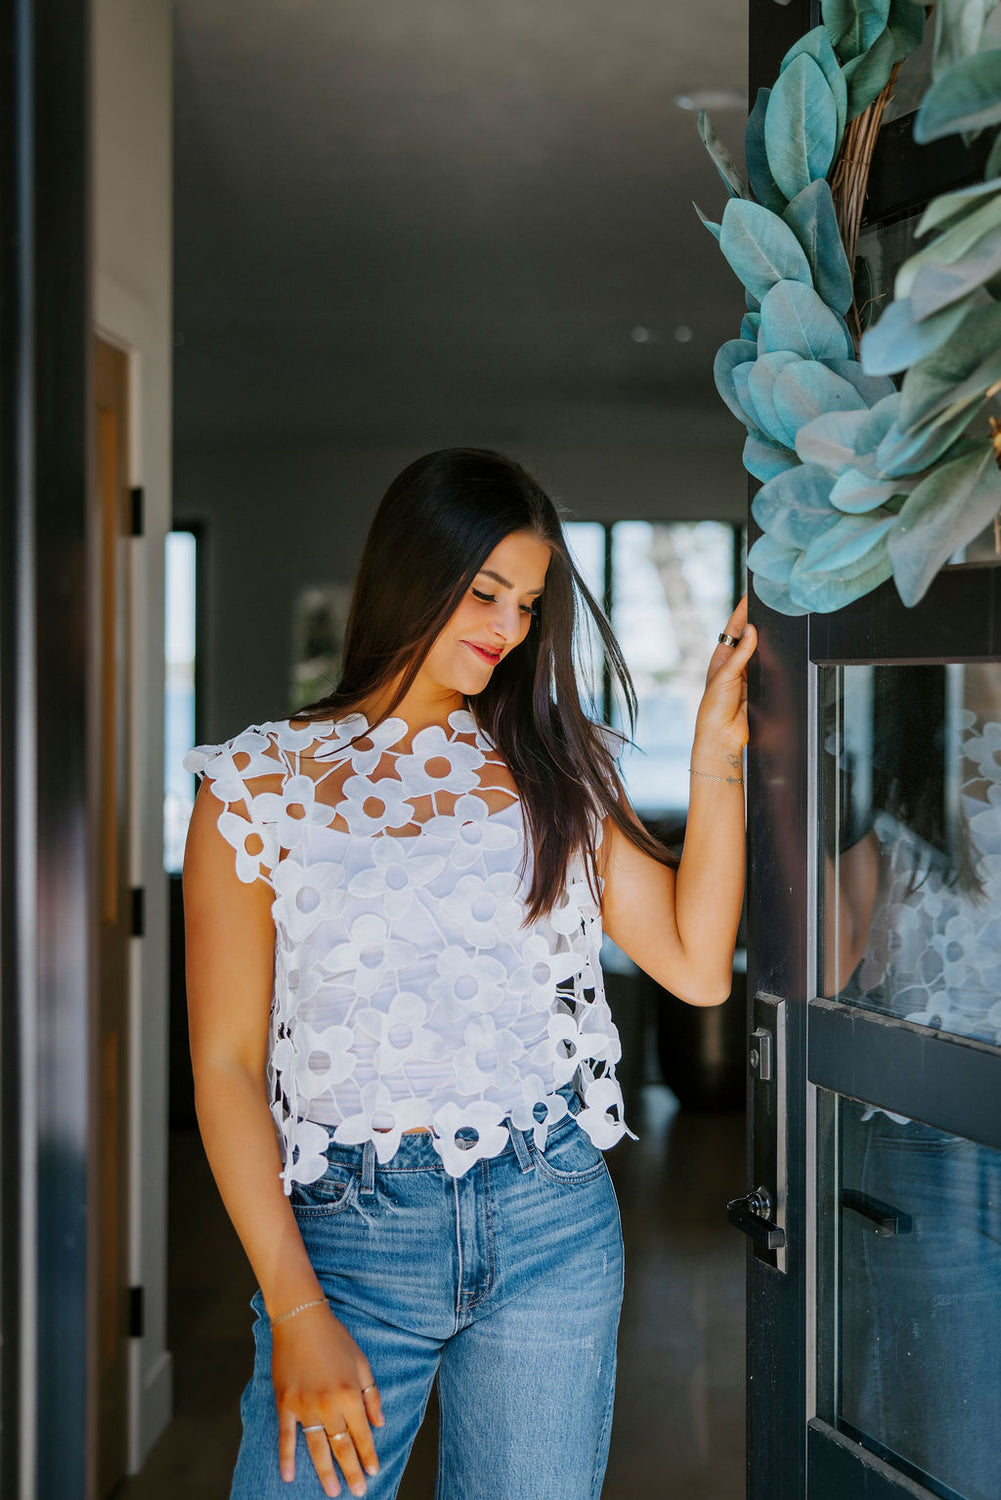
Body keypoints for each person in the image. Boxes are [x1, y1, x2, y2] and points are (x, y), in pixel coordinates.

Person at [181, 447, 755, 1500]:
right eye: (484, 590)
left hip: (550, 1217)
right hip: (344, 1241)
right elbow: (223, 1066)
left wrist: (715, 757)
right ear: (411, 569)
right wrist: (296, 1307)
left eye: (528, 602)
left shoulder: (553, 767)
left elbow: (694, 968)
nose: (506, 624)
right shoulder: (255, 782)